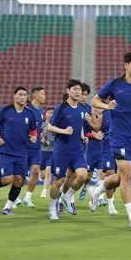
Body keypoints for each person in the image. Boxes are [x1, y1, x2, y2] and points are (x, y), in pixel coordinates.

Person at [89, 50, 131, 230]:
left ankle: (96, 191)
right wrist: (106, 105)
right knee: (126, 173)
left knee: (119, 177)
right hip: (118, 135)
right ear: (126, 65)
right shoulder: (115, 84)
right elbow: (95, 100)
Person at [46, 80, 90, 221]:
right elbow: (50, 127)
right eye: (75, 89)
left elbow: (81, 125)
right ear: (68, 91)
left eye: (79, 90)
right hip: (61, 150)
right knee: (59, 181)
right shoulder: (62, 107)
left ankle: (67, 196)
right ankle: (52, 208)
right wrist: (64, 131)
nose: (78, 92)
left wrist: (83, 136)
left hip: (76, 149)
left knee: (83, 175)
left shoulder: (83, 109)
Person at [0, 87, 35, 215]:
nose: (22, 97)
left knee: (19, 181)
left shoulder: (29, 114)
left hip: (22, 152)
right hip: (6, 151)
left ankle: (7, 207)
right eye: (20, 94)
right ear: (14, 96)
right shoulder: (6, 110)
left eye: (25, 95)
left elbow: (33, 130)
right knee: (8, 179)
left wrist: (34, 137)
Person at [21, 87, 46, 207]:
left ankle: (28, 197)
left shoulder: (40, 111)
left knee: (36, 171)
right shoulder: (26, 108)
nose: (44, 96)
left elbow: (38, 128)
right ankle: (16, 197)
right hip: (24, 147)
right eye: (42, 94)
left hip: (36, 147)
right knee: (19, 175)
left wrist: (41, 136)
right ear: (35, 96)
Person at [38, 108, 55, 199]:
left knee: (48, 171)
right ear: (46, 114)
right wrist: (41, 139)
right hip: (42, 151)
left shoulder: (56, 125)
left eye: (52, 113)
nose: (50, 114)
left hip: (52, 152)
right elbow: (36, 134)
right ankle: (46, 182)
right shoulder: (41, 124)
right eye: (49, 113)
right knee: (42, 175)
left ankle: (44, 190)